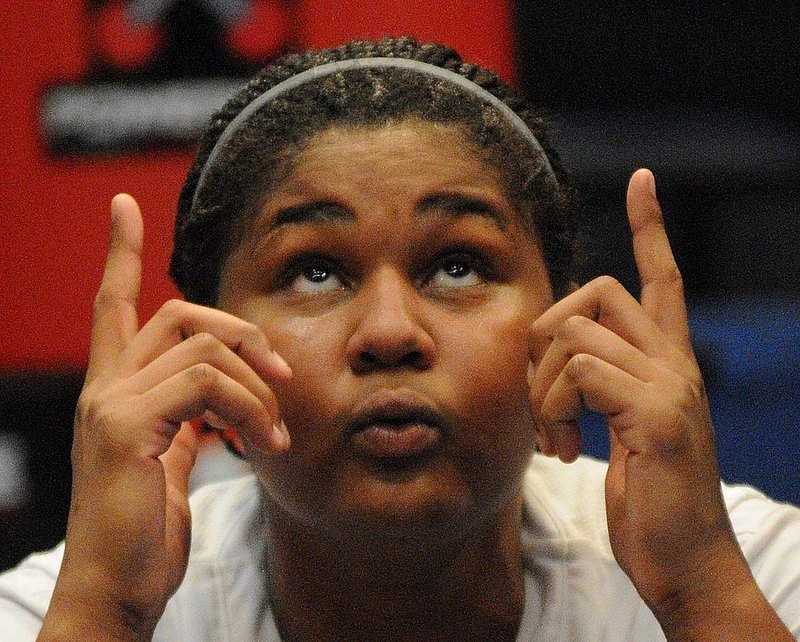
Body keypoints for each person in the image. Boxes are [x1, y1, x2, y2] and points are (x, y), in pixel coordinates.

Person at [0, 37, 798, 641]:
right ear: (203, 355)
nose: (389, 333)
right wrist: (107, 608)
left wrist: (697, 592)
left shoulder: (754, 570)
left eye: (457, 264)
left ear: (567, 327)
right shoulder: (58, 606)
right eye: (315, 272)